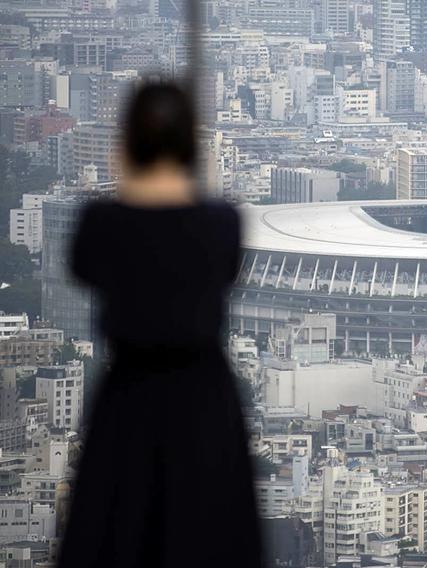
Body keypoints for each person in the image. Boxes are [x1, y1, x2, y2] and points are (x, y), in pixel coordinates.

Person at [58, 83, 263, 567]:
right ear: (192, 147)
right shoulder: (221, 224)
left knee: (118, 530)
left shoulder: (101, 223)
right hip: (205, 400)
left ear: (126, 144)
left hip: (129, 395)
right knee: (211, 531)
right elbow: (227, 270)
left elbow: (84, 266)